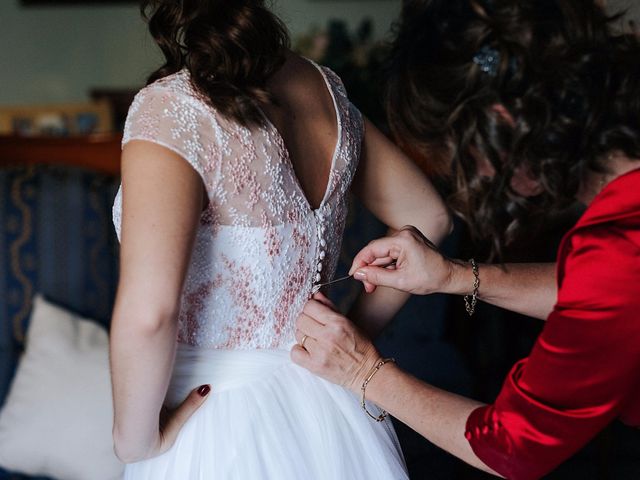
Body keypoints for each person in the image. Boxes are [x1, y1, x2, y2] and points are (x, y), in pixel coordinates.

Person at [291, 1, 640, 478]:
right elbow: (604, 297)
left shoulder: (618, 244)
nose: (468, 177)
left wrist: (363, 372)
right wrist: (452, 276)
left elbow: (514, 447)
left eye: (460, 157)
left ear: (501, 123)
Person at [108, 0, 451, 478]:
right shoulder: (321, 86)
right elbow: (428, 216)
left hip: (216, 426)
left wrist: (133, 440)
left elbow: (150, 314)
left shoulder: (172, 108)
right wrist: (353, 335)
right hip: (329, 407)